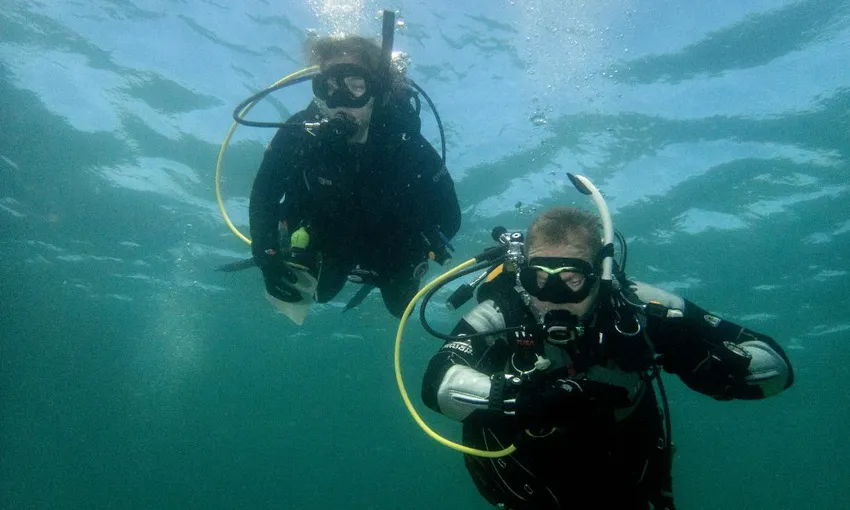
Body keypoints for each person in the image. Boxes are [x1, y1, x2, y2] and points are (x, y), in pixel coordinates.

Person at [420, 205, 794, 509]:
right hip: (527, 492)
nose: (553, 298)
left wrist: (722, 368)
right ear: (524, 274)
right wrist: (523, 399)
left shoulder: (635, 306)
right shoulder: (504, 312)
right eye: (540, 280)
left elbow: (775, 365)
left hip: (624, 486)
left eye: (571, 279)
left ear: (600, 273)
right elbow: (437, 382)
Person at [249, 35, 460, 319]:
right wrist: (266, 254)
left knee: (401, 309)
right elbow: (265, 192)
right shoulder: (301, 133)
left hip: (393, 245)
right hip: (330, 240)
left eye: (356, 86)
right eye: (329, 87)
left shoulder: (405, 143)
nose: (340, 101)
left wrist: (417, 245)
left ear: (378, 91)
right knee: (320, 295)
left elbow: (450, 217)